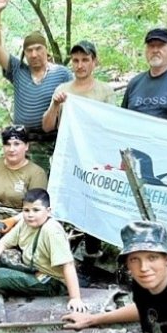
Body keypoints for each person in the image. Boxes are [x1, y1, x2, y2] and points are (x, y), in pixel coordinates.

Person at [42, 40, 116, 275]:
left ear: (94, 61)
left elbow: (111, 125)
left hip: (95, 159)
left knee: (93, 206)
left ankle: (93, 258)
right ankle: (61, 258)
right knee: (65, 203)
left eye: (85, 59)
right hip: (68, 158)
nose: (80, 65)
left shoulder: (105, 91)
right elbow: (47, 126)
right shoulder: (63, 89)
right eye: (75, 60)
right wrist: (55, 105)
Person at [0, 0, 72, 173]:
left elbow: (76, 102)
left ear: (46, 50)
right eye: (29, 50)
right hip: (24, 144)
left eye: (38, 49)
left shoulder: (62, 74)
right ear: (24, 53)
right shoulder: (18, 70)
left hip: (55, 142)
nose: (34, 54)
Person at [0, 189, 85, 310]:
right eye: (26, 210)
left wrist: (75, 298)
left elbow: (68, 265)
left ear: (48, 211)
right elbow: (2, 244)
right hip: (32, 268)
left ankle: (6, 291)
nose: (30, 215)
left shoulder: (51, 230)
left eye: (36, 210)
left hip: (51, 280)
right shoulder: (25, 222)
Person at [0, 126, 47, 209]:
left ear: (26, 146)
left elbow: (35, 207)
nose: (11, 149)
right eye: (8, 144)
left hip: (19, 218)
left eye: (16, 144)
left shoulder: (36, 173)